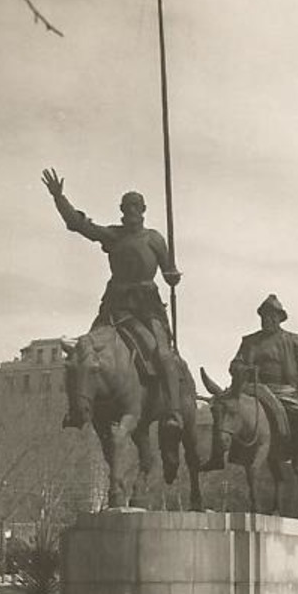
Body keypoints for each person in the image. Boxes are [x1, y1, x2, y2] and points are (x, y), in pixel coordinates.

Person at [41, 168, 184, 428]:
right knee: (84, 351)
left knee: (163, 355)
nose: (131, 211)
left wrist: (173, 276)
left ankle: (173, 411)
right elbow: (79, 224)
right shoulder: (114, 235)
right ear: (121, 210)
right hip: (115, 306)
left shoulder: (154, 239)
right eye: (126, 206)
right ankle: (78, 410)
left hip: (146, 307)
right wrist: (59, 198)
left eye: (135, 206)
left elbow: (168, 270)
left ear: (143, 209)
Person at [223, 295, 298, 478]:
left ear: (279, 318)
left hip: (284, 391)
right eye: (264, 316)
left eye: (271, 316)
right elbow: (235, 364)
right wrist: (243, 369)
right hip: (254, 390)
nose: (267, 320)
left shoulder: (294, 341)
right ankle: (220, 455)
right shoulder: (249, 341)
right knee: (226, 409)